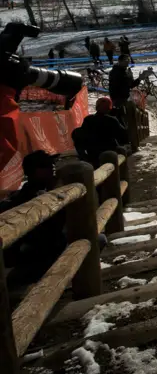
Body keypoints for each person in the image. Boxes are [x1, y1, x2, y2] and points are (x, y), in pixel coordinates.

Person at [1, 151, 70, 285]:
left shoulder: (50, 189)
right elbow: (46, 235)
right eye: (46, 165)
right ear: (33, 172)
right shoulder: (25, 199)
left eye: (51, 164)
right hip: (35, 257)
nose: (52, 168)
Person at [72, 97, 130, 167]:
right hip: (110, 153)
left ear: (97, 107)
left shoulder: (88, 119)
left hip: (92, 154)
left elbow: (80, 137)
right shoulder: (112, 120)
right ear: (109, 108)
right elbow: (124, 137)